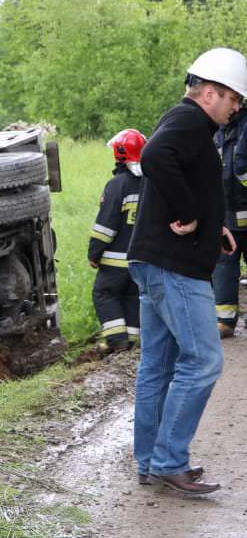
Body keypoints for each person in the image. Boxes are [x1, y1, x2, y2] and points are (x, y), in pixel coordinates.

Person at [127, 47, 247, 496]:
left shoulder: (185, 123)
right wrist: (189, 213)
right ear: (212, 93)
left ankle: (151, 462)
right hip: (174, 268)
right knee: (204, 361)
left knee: (158, 366)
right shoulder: (191, 121)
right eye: (234, 98)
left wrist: (209, 223)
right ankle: (169, 462)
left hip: (155, 260)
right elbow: (155, 157)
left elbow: (175, 171)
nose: (237, 108)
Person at [88, 129, 145, 352]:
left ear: (119, 154)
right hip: (141, 259)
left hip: (115, 261)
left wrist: (94, 253)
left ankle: (117, 342)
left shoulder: (117, 185)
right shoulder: (150, 183)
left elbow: (105, 227)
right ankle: (131, 341)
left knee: (104, 294)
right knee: (132, 295)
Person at [212, 107, 247, 338]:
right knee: (223, 265)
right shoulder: (217, 129)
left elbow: (240, 167)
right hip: (225, 213)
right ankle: (225, 321)